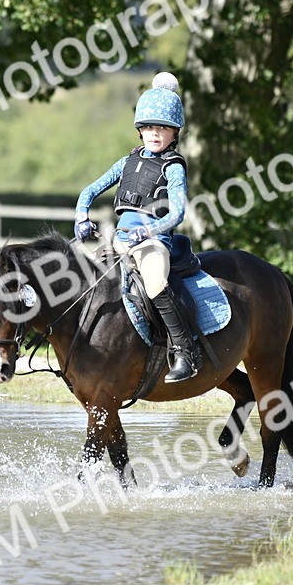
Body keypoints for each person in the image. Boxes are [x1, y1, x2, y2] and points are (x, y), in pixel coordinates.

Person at [74, 72, 198, 383]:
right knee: (81, 281)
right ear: (140, 130)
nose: (156, 134)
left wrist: (151, 231)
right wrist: (81, 217)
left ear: (175, 133)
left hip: (153, 244)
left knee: (155, 284)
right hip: (118, 242)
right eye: (150, 128)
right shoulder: (126, 162)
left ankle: (185, 352)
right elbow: (88, 191)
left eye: (163, 129)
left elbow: (178, 212)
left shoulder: (173, 166)